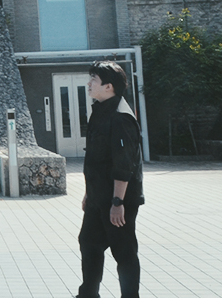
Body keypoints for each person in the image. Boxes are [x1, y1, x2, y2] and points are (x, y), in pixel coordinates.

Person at [77, 61, 144, 298]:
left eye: (93, 79)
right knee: (89, 242)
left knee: (123, 251)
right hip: (99, 196)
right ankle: (88, 293)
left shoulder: (121, 117)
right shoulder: (101, 111)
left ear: (108, 86)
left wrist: (118, 202)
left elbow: (124, 164)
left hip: (118, 200)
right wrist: (89, 193)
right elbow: (97, 158)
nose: (89, 83)